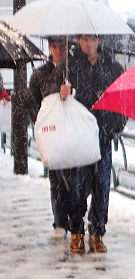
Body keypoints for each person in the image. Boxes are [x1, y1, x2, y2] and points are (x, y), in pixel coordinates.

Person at [53, 34, 127, 254]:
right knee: (76, 187)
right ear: (78, 40)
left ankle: (97, 232)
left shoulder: (113, 68)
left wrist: (115, 127)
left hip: (102, 137)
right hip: (77, 138)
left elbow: (122, 100)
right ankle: (77, 232)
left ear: (100, 41)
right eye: (84, 39)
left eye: (92, 39)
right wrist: (62, 93)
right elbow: (49, 94)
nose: (88, 44)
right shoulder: (68, 67)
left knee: (102, 186)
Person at [28, 37, 72, 240]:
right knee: (56, 180)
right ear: (49, 48)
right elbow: (33, 103)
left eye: (62, 46)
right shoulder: (40, 74)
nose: (59, 50)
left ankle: (75, 219)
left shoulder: (74, 69)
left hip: (73, 132)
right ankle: (60, 221)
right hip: (52, 134)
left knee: (76, 179)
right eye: (55, 46)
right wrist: (42, 126)